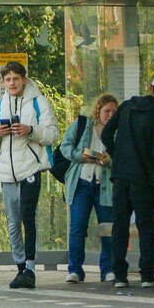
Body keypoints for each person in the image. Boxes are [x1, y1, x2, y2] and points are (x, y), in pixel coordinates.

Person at [0, 61, 59, 289]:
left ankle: (30, 268)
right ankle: (20, 267)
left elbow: (53, 133)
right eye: (8, 79)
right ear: (3, 82)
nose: (12, 83)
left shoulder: (39, 102)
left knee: (27, 216)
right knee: (13, 222)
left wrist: (30, 130)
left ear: (24, 79)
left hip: (30, 169)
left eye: (16, 78)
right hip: (7, 172)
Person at [101, 73, 154, 288]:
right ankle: (146, 275)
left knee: (120, 224)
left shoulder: (126, 107)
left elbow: (106, 134)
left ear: (149, 87)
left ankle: (120, 276)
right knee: (144, 225)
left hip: (121, 174)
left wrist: (118, 156)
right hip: (142, 177)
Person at [60, 94, 119, 283]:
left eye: (113, 112)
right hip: (82, 182)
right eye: (106, 111)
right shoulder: (84, 125)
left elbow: (124, 156)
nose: (109, 115)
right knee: (77, 227)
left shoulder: (119, 132)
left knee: (108, 228)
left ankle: (108, 268)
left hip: (105, 185)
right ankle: (75, 268)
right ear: (98, 110)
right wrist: (80, 155)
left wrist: (110, 160)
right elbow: (65, 145)